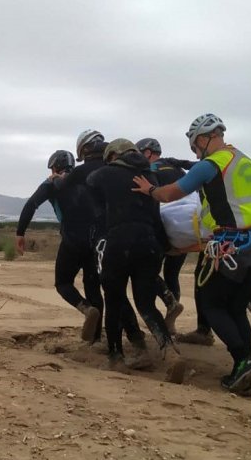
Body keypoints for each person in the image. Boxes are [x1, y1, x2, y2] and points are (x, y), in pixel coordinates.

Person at [133, 114, 251, 395]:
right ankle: (241, 367)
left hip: (232, 245)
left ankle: (244, 361)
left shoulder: (211, 164)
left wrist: (149, 189)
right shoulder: (247, 162)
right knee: (235, 308)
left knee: (212, 306)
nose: (196, 153)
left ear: (202, 139)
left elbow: (170, 194)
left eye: (194, 148)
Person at [87, 139, 186, 383]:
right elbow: (156, 216)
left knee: (115, 299)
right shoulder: (149, 179)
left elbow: (90, 182)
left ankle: (116, 357)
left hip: (119, 241)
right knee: (146, 303)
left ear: (113, 156)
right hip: (149, 244)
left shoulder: (105, 174)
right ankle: (170, 353)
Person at [56, 129, 147, 349]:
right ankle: (135, 337)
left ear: (83, 149)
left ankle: (98, 334)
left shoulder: (81, 173)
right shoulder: (115, 170)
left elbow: (58, 190)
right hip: (116, 236)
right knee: (112, 290)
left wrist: (57, 180)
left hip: (87, 239)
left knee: (70, 283)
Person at [15, 150, 102, 340]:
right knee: (93, 286)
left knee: (63, 283)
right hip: (96, 240)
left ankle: (87, 310)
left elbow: (31, 205)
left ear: (54, 167)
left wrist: (20, 233)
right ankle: (96, 340)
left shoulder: (52, 183)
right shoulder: (86, 178)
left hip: (72, 240)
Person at [135, 138, 188, 334]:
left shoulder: (149, 173)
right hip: (184, 230)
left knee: (147, 272)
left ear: (148, 153)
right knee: (172, 273)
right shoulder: (177, 169)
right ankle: (171, 318)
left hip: (161, 228)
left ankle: (167, 303)